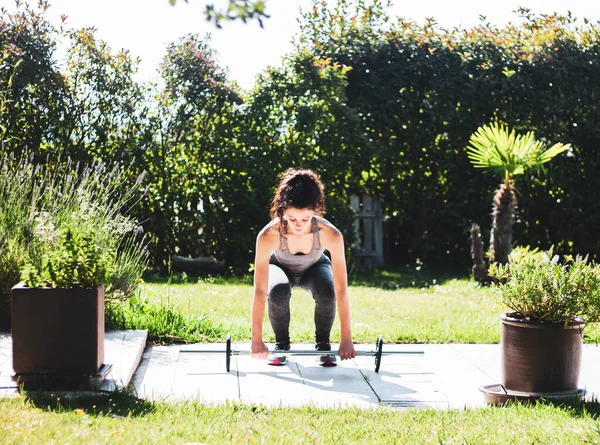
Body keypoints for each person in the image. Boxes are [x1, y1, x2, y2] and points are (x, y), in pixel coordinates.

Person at [251, 168, 356, 367]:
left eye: (305, 219)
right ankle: (281, 345)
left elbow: (341, 290)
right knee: (277, 290)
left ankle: (323, 345)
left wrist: (346, 339)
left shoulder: (331, 234)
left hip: (315, 268)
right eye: (291, 219)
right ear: (282, 211)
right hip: (280, 267)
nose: (298, 225)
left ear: (315, 211)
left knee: (328, 290)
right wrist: (256, 339)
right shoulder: (268, 235)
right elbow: (260, 290)